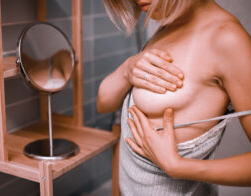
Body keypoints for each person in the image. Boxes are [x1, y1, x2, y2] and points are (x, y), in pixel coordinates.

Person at [97, 0, 251, 195]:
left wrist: (178, 166)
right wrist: (127, 70)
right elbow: (103, 103)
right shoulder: (167, 27)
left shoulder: (227, 39)